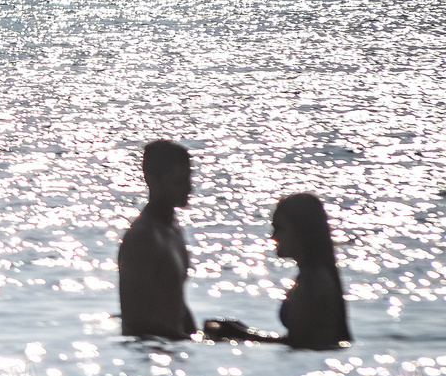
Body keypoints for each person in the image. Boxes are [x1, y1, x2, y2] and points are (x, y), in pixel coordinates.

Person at [203, 192, 352, 349]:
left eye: (279, 229)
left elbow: (298, 342)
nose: (273, 237)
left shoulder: (313, 280)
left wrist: (240, 334)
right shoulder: (312, 275)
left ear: (300, 231)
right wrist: (242, 330)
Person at [117, 139, 197, 339]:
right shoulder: (143, 238)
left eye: (189, 179)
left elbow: (174, 297)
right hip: (146, 355)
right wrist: (187, 340)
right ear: (152, 180)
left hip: (175, 350)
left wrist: (198, 337)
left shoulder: (173, 228)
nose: (189, 189)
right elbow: (135, 320)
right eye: (179, 181)